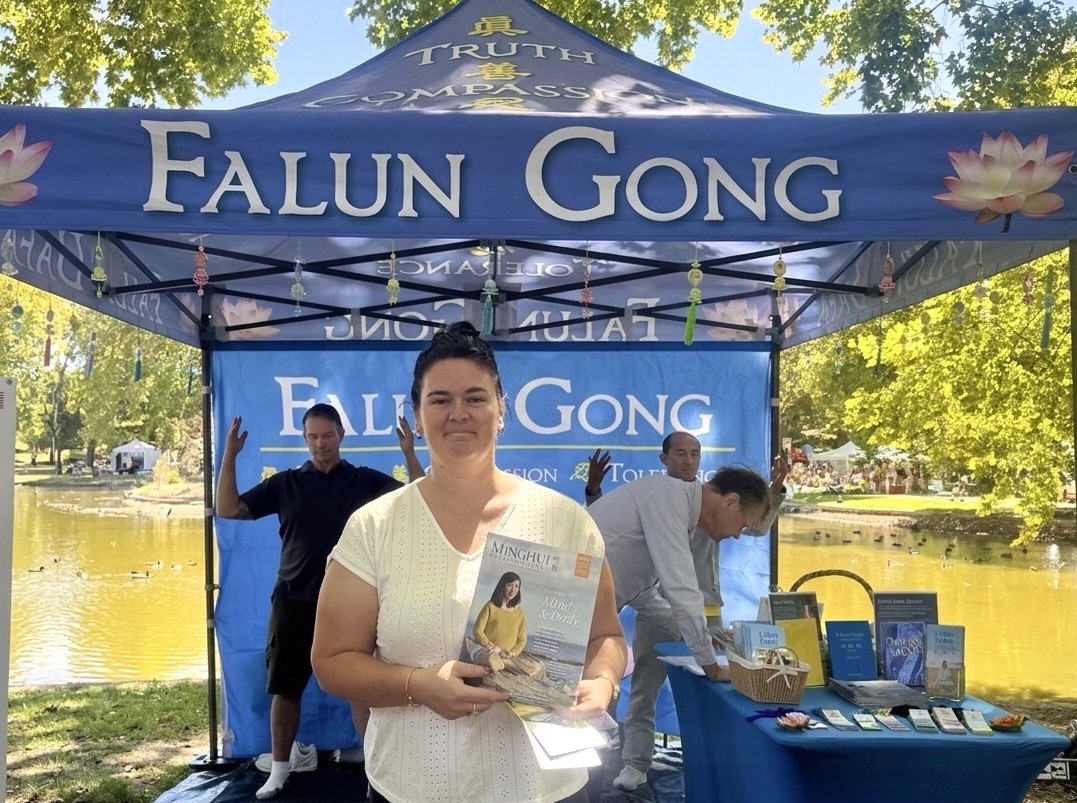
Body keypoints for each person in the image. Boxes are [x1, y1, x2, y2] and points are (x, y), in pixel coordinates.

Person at [312, 321, 627, 803]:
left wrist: (603, 682)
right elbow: (332, 662)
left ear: (501, 411)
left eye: (476, 398)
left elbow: (605, 636)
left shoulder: (565, 521)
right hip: (412, 787)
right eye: (440, 400)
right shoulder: (374, 526)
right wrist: (418, 685)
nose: (458, 413)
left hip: (544, 789)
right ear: (417, 418)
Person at [215, 403, 423, 800]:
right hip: (293, 600)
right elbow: (229, 509)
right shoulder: (286, 483)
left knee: (361, 687)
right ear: (305, 438)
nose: (320, 444)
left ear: (340, 435)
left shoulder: (363, 481)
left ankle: (375, 772)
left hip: (351, 603)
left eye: (327, 435)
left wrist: (409, 453)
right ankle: (279, 770)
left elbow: (419, 499)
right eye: (312, 437)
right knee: (285, 688)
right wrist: (230, 455)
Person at [588, 451, 785, 792]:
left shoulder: (681, 508)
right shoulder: (670, 498)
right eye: (742, 525)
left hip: (583, 615)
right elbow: (681, 590)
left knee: (586, 742)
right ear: (730, 501)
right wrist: (710, 664)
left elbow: (643, 593)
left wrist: (706, 637)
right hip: (564, 613)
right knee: (578, 738)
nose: (739, 536)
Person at [471, 571, 542, 676]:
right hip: (487, 650)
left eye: (516, 586)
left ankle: (507, 664)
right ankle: (512, 667)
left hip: (506, 655)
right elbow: (478, 631)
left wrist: (513, 652)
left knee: (537, 666)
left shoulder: (520, 612)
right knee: (492, 659)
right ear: (502, 586)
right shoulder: (491, 606)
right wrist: (490, 646)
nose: (513, 590)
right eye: (509, 585)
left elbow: (522, 639)